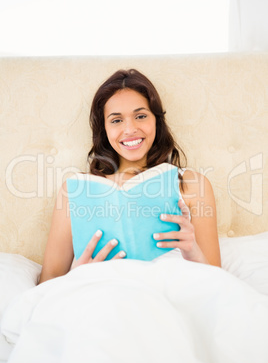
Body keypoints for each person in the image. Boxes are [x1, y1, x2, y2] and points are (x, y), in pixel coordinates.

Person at [39, 69, 221, 284]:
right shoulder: (75, 191)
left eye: (141, 116)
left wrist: (194, 251)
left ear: (156, 121)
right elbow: (48, 282)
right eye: (116, 120)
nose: (130, 129)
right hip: (103, 295)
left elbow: (218, 282)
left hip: (170, 294)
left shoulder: (193, 185)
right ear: (104, 129)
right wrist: (79, 275)